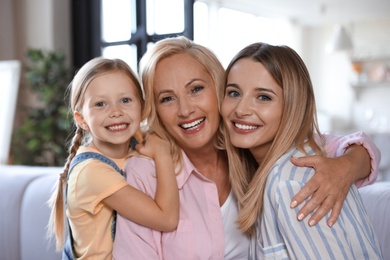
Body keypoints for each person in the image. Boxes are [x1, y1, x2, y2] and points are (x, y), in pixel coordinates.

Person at [113, 36, 380, 259]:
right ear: (155, 109)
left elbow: (351, 147)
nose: (185, 110)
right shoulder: (145, 173)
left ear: (218, 89)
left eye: (196, 89)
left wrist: (347, 165)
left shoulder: (253, 148)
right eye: (167, 98)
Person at [220, 42, 383, 259]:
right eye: (233, 93)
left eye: (264, 97)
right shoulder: (281, 163)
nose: (240, 109)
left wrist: (349, 163)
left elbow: (362, 146)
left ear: (293, 106)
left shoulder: (292, 181)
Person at [47, 57, 179, 259]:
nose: (116, 112)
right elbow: (167, 219)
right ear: (82, 119)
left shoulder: (135, 141)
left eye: (126, 100)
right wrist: (162, 155)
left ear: (142, 107)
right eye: (100, 104)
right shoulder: (92, 172)